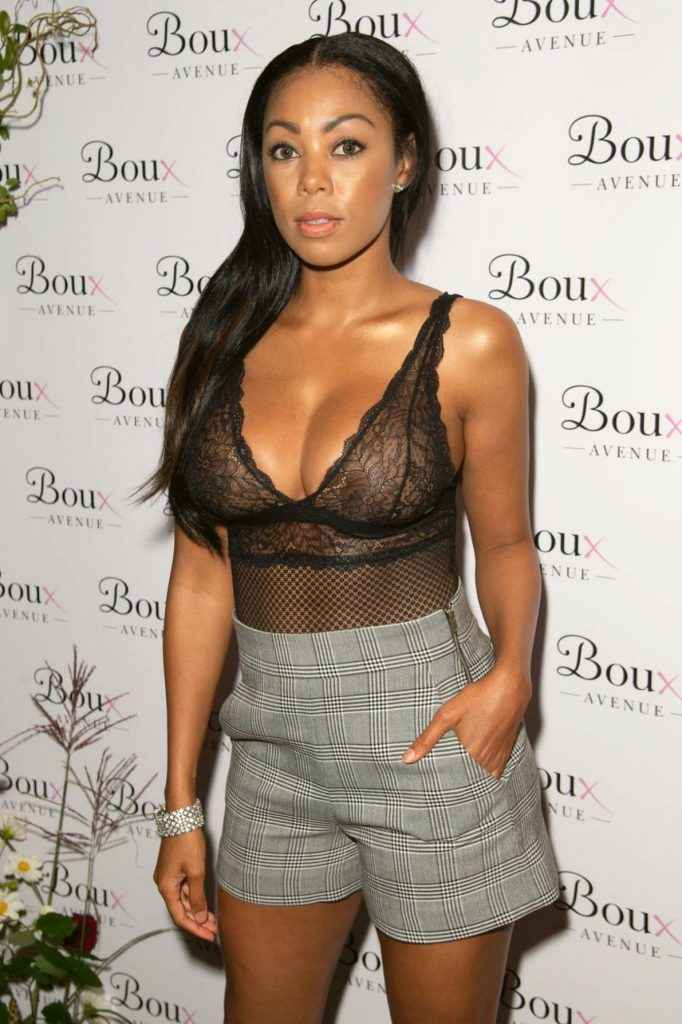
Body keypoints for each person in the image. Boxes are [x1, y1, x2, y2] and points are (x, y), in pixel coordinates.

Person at [134, 30, 560, 1024]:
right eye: (284, 148)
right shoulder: (218, 341)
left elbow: (505, 545)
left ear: (404, 162)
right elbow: (201, 580)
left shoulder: (471, 341)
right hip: (272, 753)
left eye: (348, 144)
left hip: (432, 740)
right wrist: (181, 800)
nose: (313, 179)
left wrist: (510, 678)